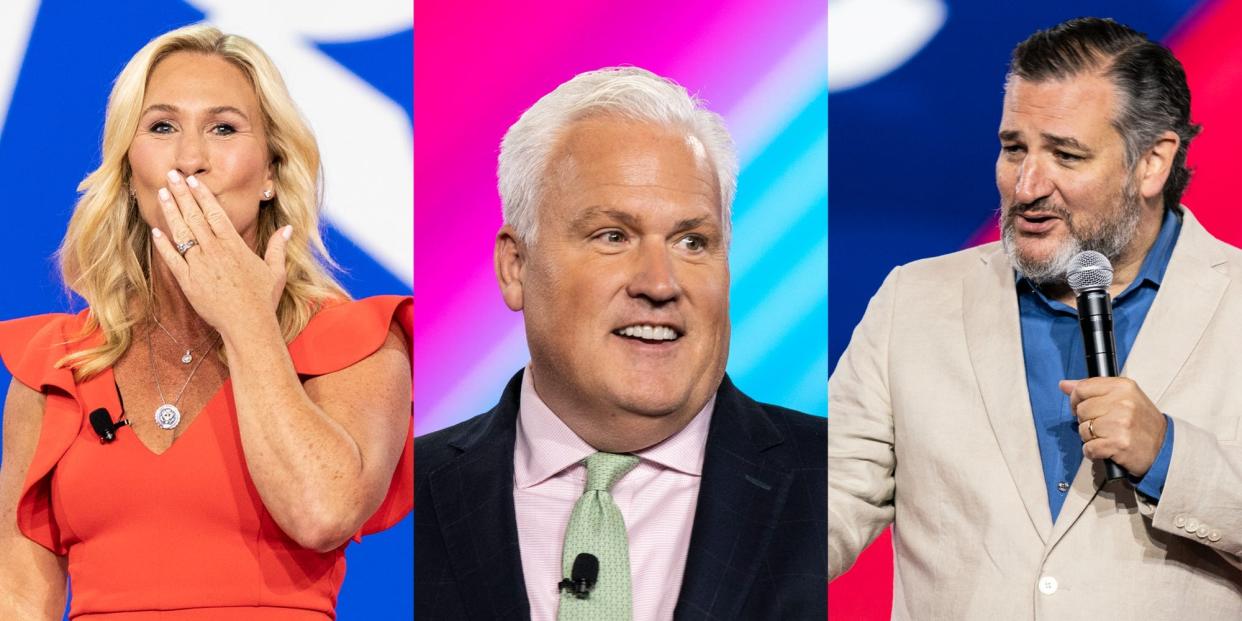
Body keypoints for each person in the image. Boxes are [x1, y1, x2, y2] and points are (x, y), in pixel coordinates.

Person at [829, 17, 1242, 619]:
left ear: (1152, 163)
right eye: (1013, 148)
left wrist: (1170, 456)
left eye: (1065, 154)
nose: (1026, 186)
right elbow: (830, 502)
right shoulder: (915, 301)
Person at [0, 24, 412, 620]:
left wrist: (246, 323)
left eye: (224, 128)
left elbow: (322, 512)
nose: (190, 160)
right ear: (126, 170)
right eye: (162, 127)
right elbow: (18, 593)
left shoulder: (354, 343)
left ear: (271, 171)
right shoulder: (57, 364)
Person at [414, 67, 826, 620]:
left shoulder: (833, 480)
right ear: (515, 267)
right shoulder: (403, 495)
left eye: (691, 241)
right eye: (613, 236)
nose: (659, 283)